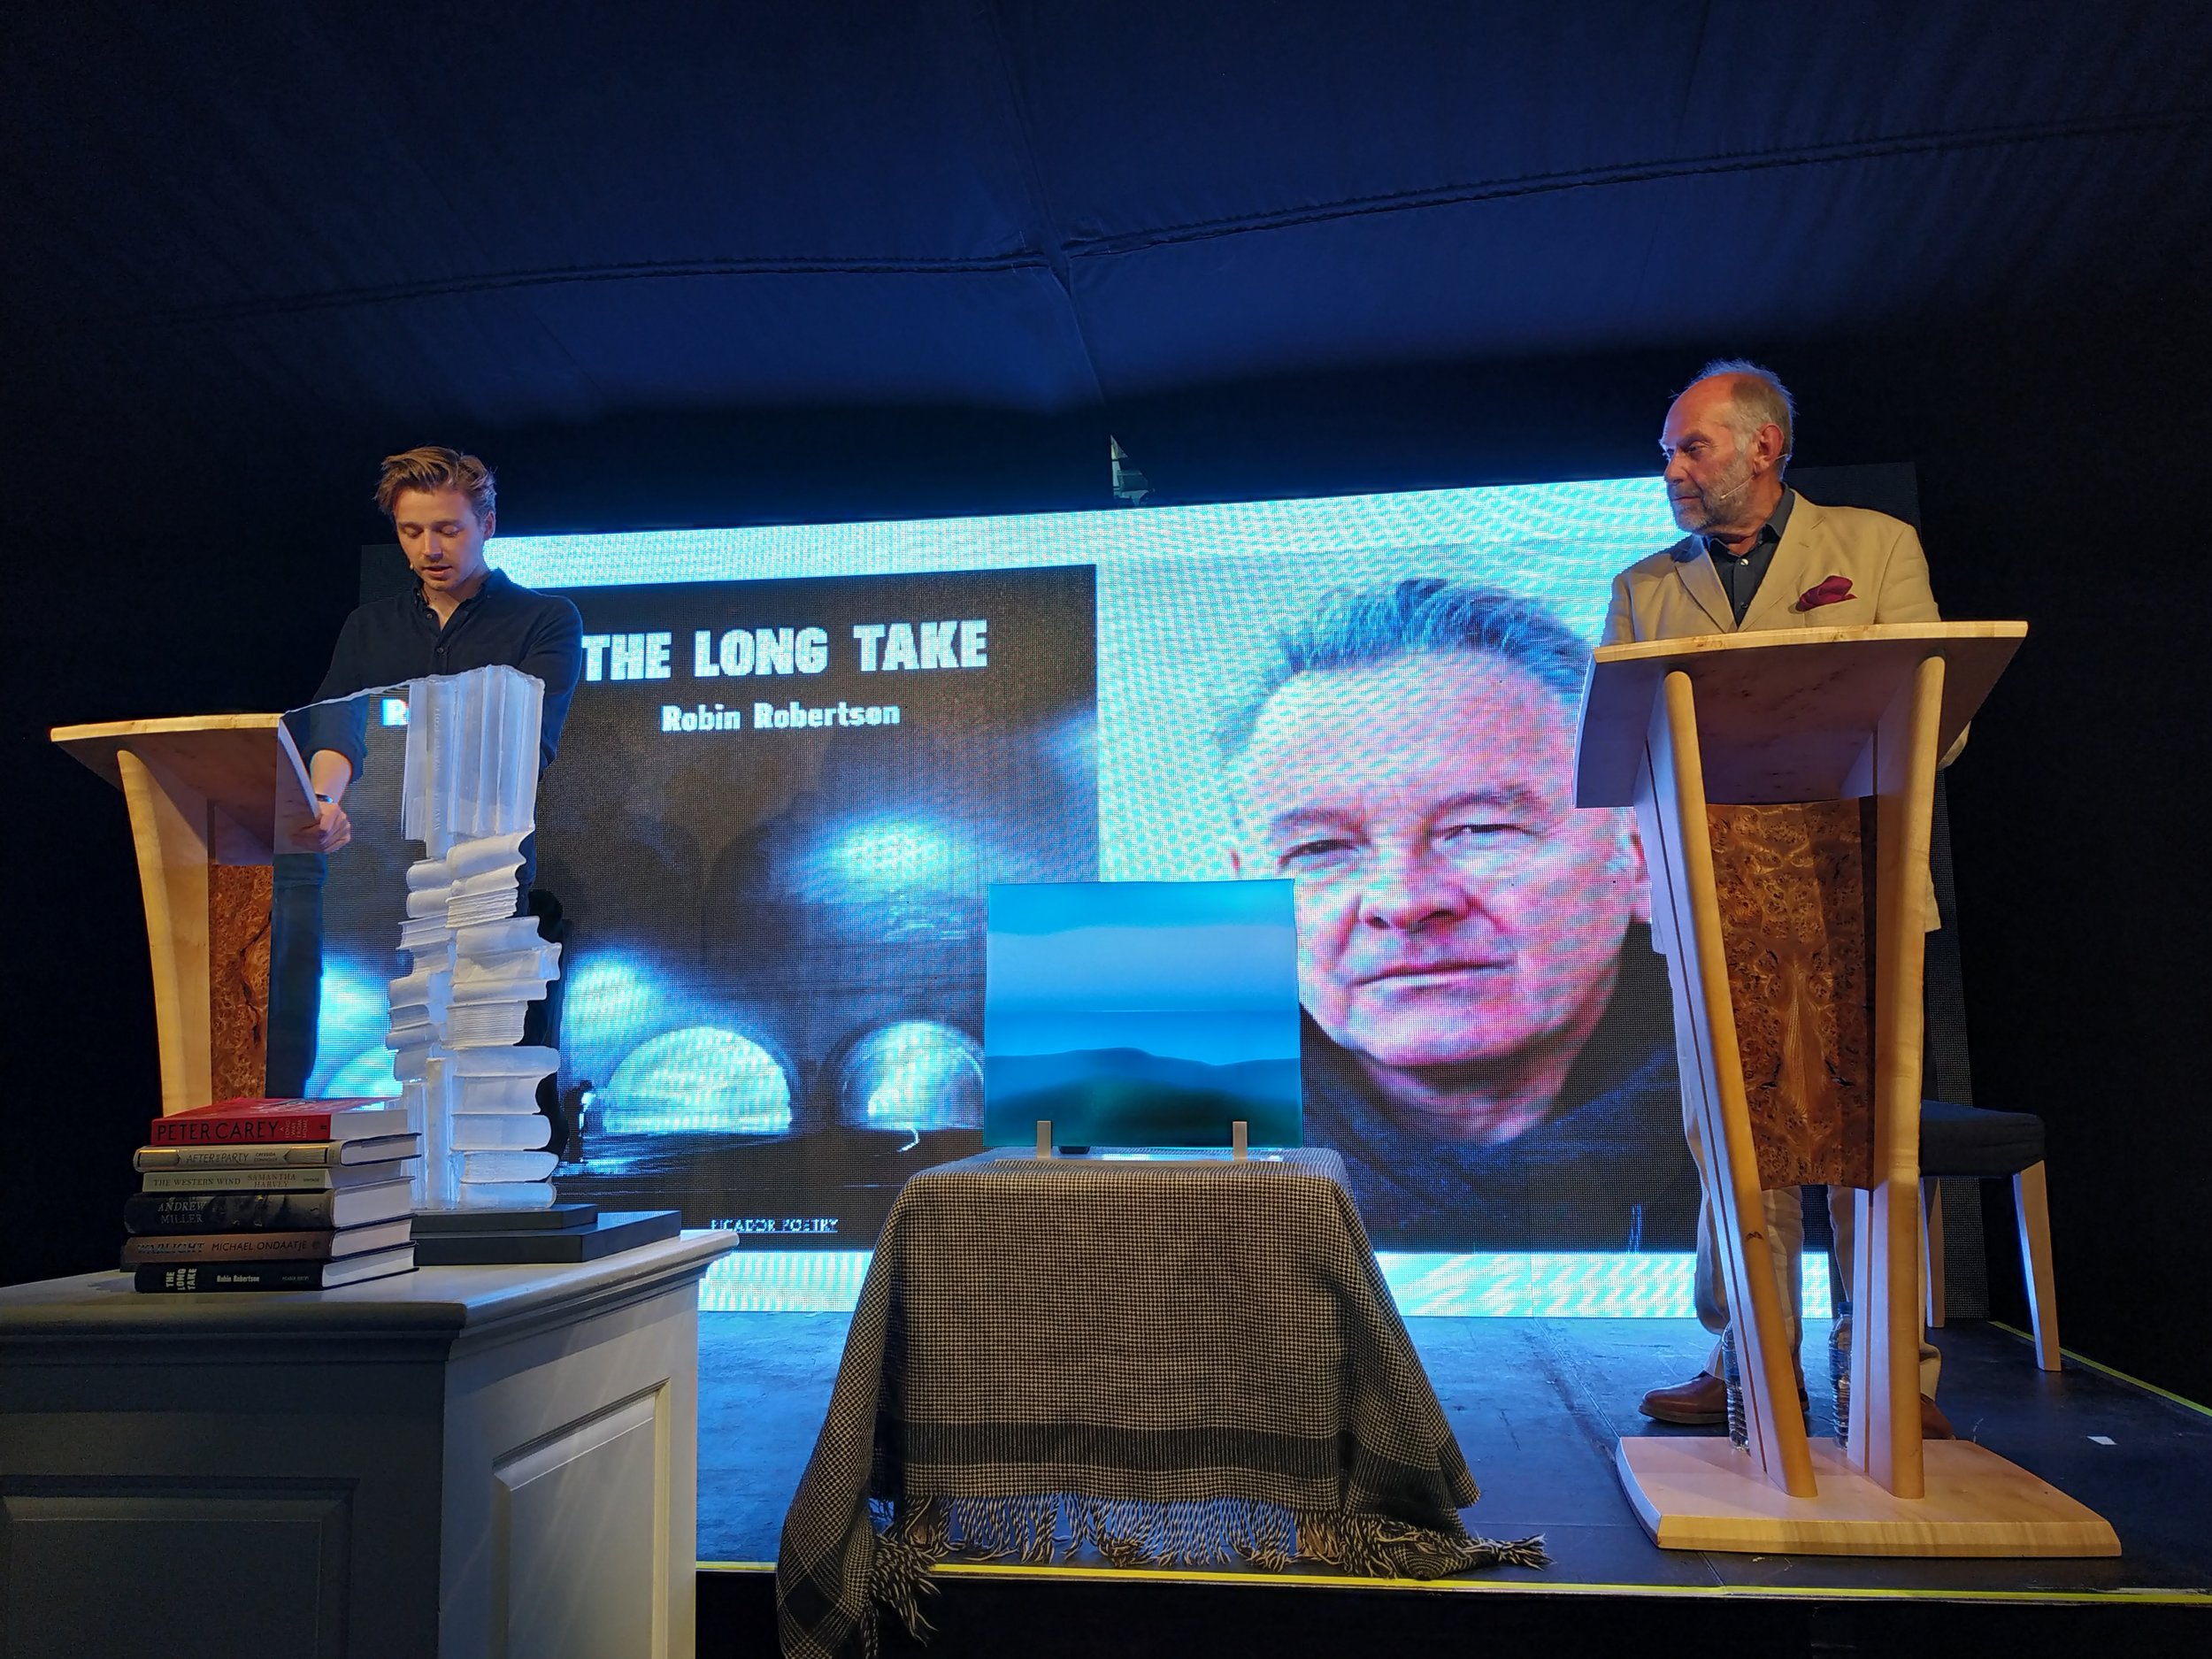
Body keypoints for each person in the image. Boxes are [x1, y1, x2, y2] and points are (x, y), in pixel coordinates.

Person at [1603, 359, 1953, 1437]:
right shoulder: (1645, 585)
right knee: (1733, 1136)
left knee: (1868, 1129)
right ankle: (1748, 1360)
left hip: (1854, 880)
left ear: (1762, 446)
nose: (1670, 466)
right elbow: (1620, 745)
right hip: (1715, 894)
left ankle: (1891, 1369)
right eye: (1668, 448)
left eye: (1690, 445)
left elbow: (1939, 706)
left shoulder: (1873, 548)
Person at [1220, 578, 1697, 1248]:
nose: (1404, 901)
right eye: (1321, 848)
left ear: (1643, 858)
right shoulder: (1172, 1169)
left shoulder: (1795, 1134)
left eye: (1480, 829)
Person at [265, 445, 586, 1094]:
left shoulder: (544, 620)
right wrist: (320, 803)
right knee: (380, 1065)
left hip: (482, 877)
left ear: (486, 525)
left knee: (479, 1070)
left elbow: (530, 747)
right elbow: (338, 726)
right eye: (412, 532)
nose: (429, 548)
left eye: (448, 529)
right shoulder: (370, 626)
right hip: (377, 882)